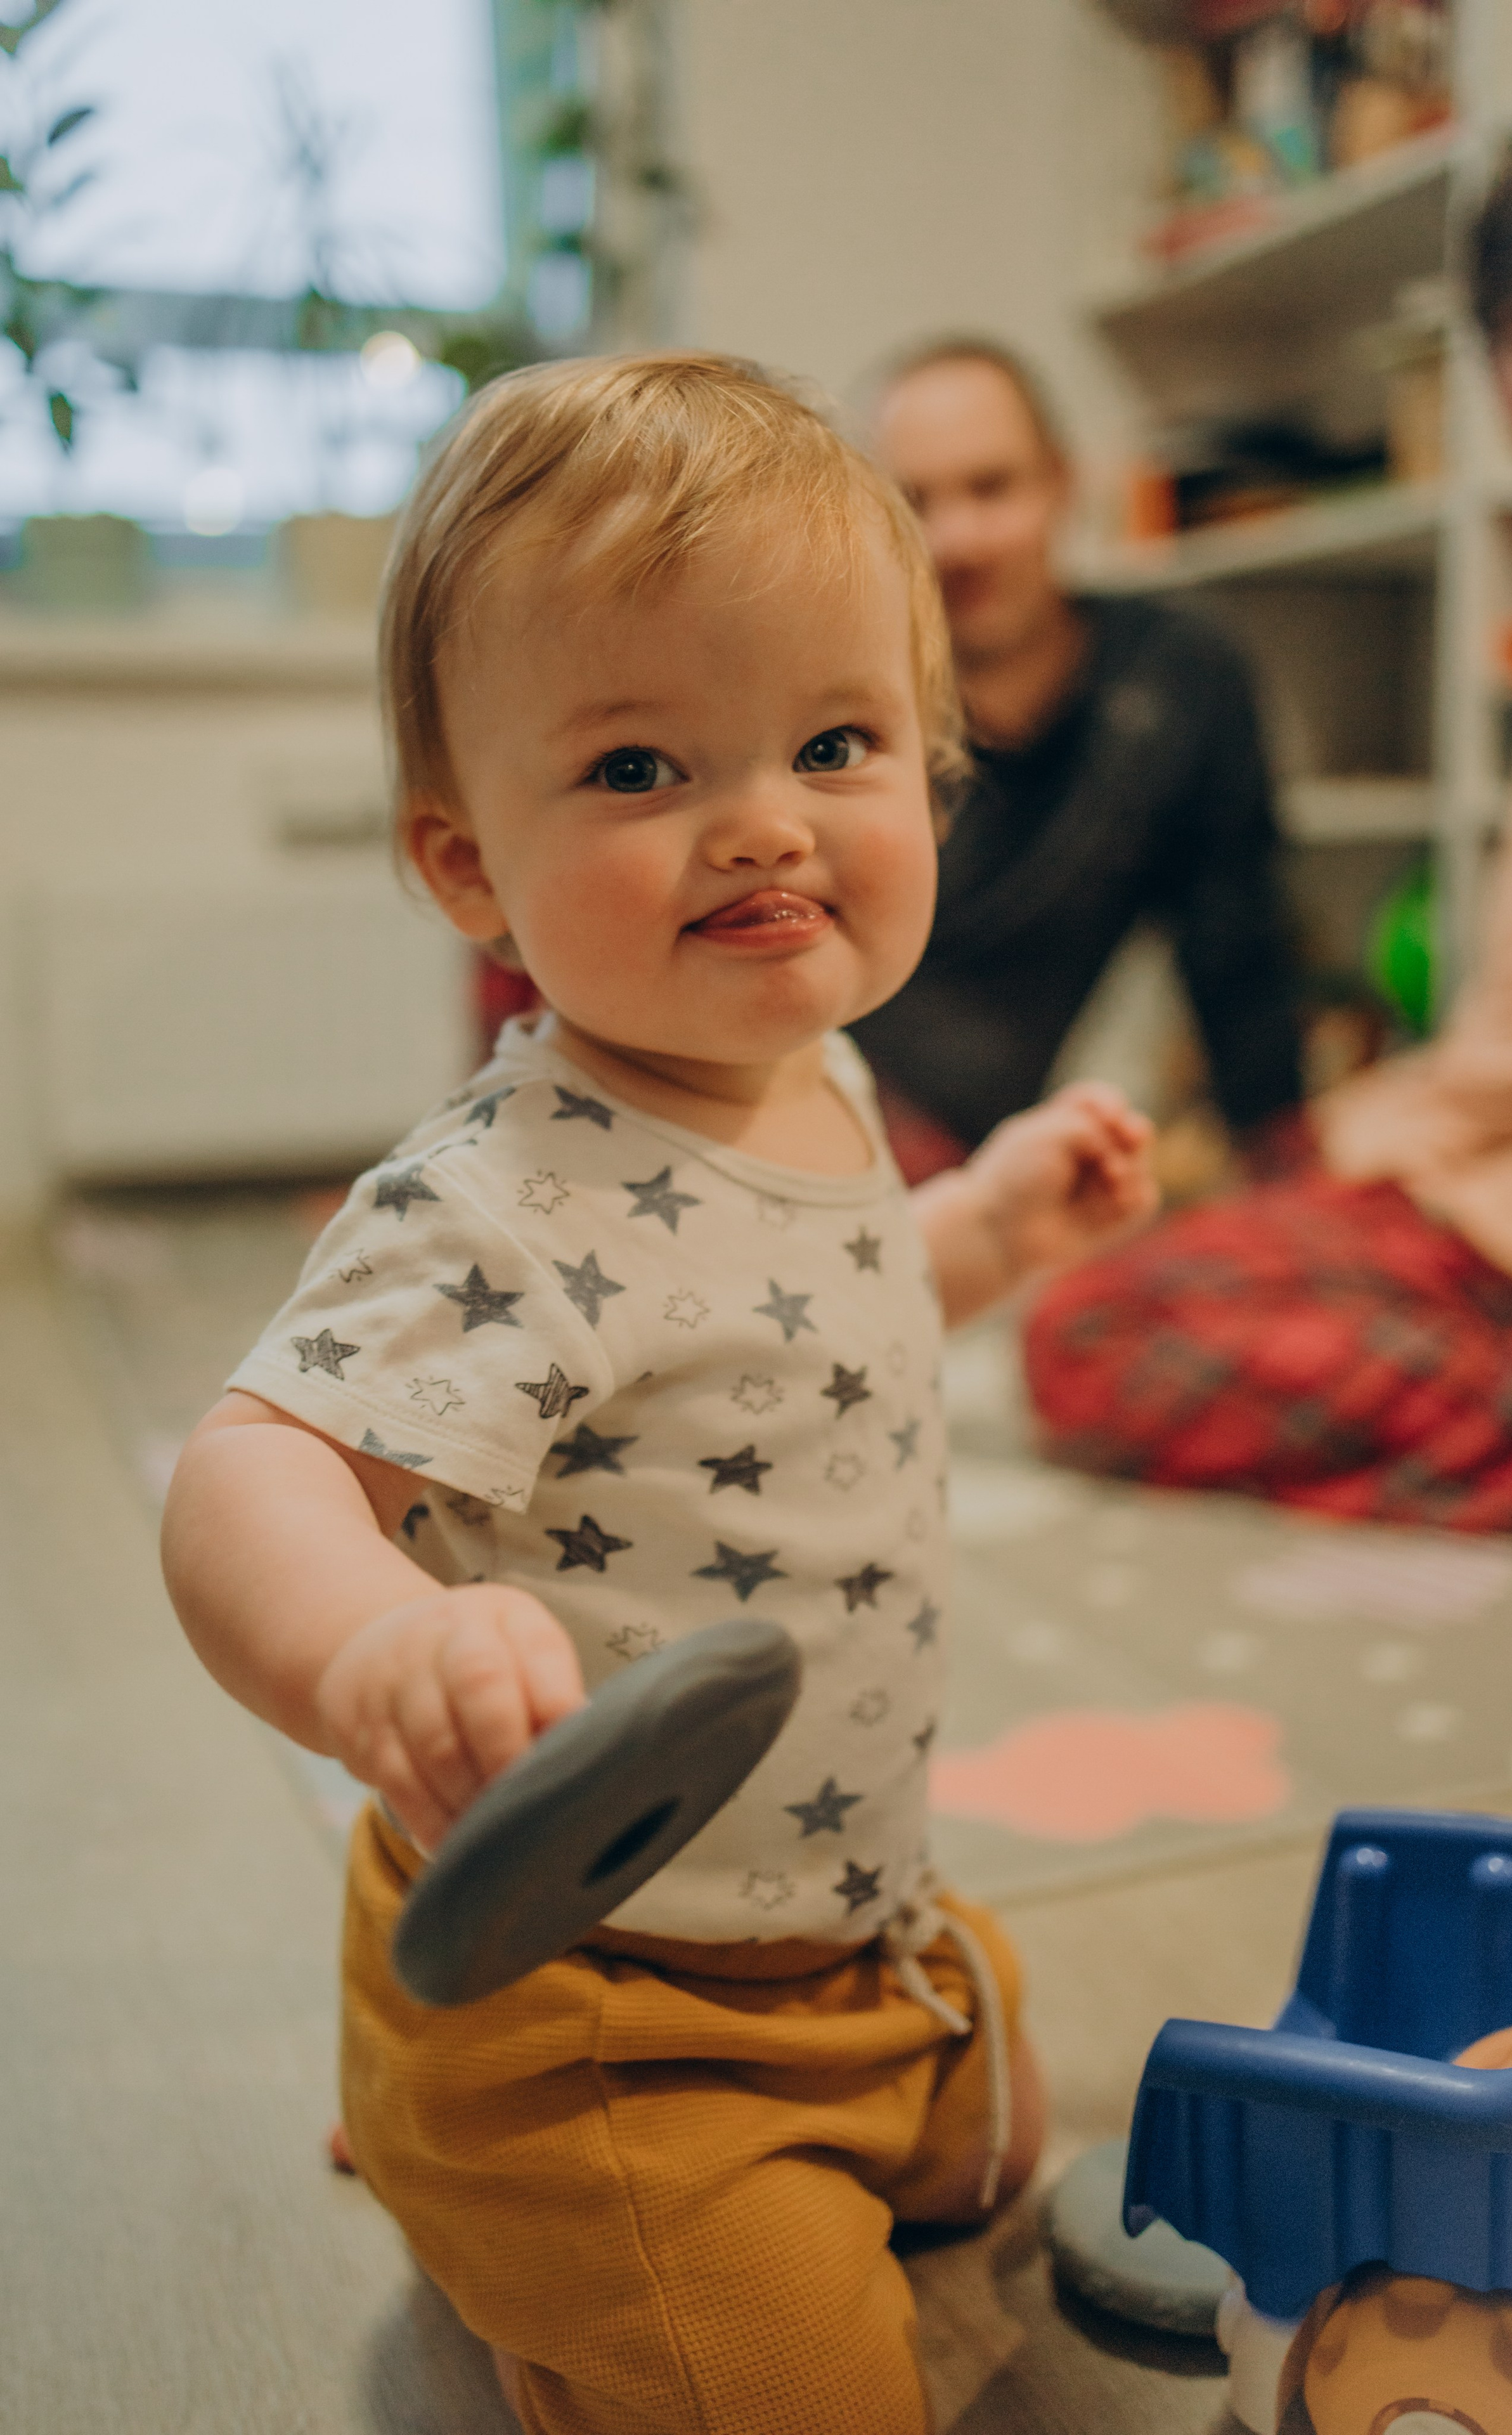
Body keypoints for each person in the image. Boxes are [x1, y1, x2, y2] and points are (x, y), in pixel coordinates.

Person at [160, 354, 1158, 2435]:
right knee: (804, 2394)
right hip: (597, 2000)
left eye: (834, 744)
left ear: (930, 769)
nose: (767, 822)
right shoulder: (498, 1205)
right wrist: (372, 1650)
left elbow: (819, 1312)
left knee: (1002, 2141)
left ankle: (544, 2165)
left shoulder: (815, 1072)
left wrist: (988, 1226)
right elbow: (247, 1474)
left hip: (853, 1924)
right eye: (638, 767)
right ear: (465, 864)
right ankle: (481, 2173)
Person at [1026, 105, 1512, 1538]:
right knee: (1119, 1292)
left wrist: (1366, 1126)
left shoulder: (1169, 670)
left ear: (1053, 490)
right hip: (1506, 1168)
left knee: (1100, 1332)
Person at [848, 338, 1304, 1174]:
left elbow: (1238, 958)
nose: (958, 540)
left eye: (992, 487)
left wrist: (1291, 1171)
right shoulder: (833, 706)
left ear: (1062, 482)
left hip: (989, 1161)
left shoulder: (1178, 678)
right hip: (812, 1118)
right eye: (915, 501)